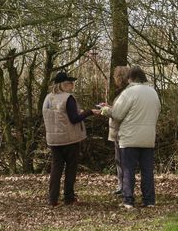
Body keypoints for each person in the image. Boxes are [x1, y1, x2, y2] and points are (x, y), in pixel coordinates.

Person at [102, 66, 160, 209]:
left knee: (128, 170)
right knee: (147, 171)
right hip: (148, 137)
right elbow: (157, 111)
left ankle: (128, 200)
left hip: (129, 138)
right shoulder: (153, 92)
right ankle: (149, 200)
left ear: (131, 78)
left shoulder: (128, 93)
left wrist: (105, 110)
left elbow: (117, 114)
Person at [42, 70, 94, 206]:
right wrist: (89, 112)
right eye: (71, 83)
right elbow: (74, 118)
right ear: (65, 84)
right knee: (71, 167)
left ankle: (52, 199)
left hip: (53, 139)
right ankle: (69, 197)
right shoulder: (68, 98)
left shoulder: (48, 98)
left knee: (56, 168)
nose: (72, 86)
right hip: (69, 138)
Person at [99, 65, 130, 197]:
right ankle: (121, 186)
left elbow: (118, 114)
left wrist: (106, 110)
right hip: (119, 131)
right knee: (120, 161)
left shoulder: (124, 93)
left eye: (116, 77)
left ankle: (124, 188)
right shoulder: (123, 93)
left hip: (121, 132)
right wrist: (110, 107)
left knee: (123, 161)